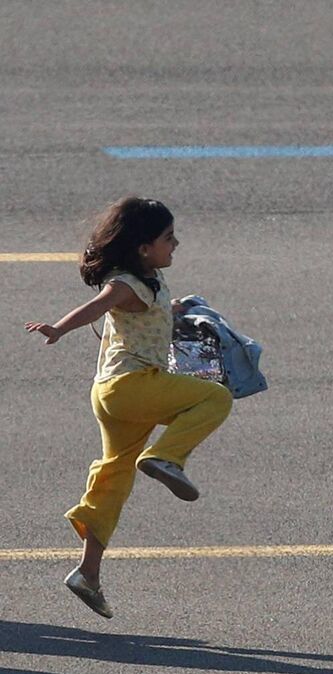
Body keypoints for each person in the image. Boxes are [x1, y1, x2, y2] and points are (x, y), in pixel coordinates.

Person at [25, 197, 233, 619]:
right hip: (130, 387)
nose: (176, 244)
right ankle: (165, 457)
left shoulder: (150, 279)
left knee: (114, 479)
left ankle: (88, 573)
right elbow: (99, 305)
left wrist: (178, 310)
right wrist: (58, 329)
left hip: (114, 397)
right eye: (168, 239)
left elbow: (148, 313)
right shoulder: (125, 283)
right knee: (214, 397)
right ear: (143, 247)